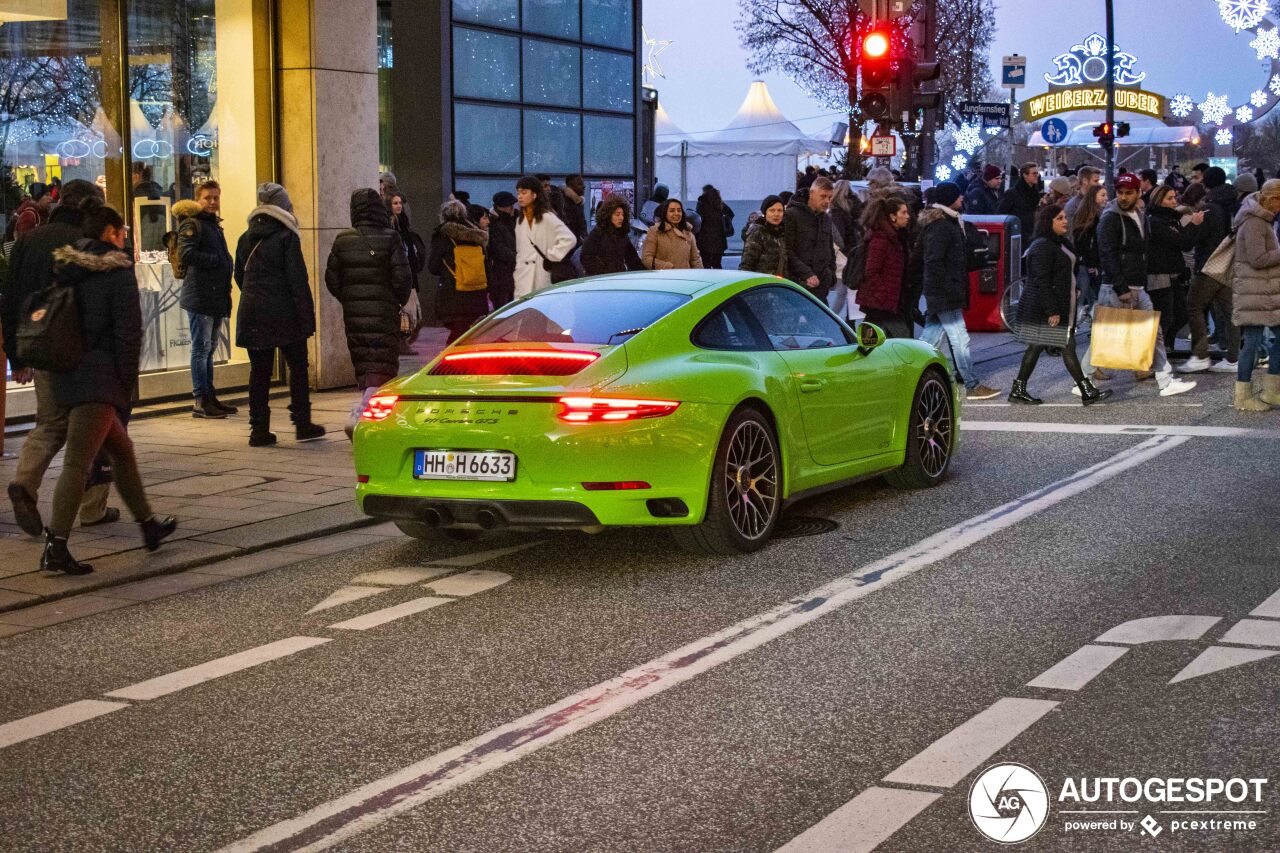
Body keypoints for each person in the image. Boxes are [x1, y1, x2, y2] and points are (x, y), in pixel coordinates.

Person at [39, 199, 176, 574]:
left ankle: (148, 526)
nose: (124, 240)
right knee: (78, 462)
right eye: (122, 233)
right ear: (111, 233)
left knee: (121, 450)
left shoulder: (65, 268)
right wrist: (126, 382)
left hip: (66, 373)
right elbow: (129, 333)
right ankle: (57, 546)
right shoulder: (116, 273)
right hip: (98, 379)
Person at [4, 180, 121, 535]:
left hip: (41, 347)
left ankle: (25, 481)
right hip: (84, 351)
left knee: (50, 423)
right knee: (99, 429)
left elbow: (10, 298)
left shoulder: (29, 240)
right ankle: (91, 507)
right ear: (89, 206)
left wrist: (16, 353)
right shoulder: (86, 243)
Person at [1080, 173, 1196, 397]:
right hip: (1118, 287)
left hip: (1135, 285)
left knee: (1153, 332)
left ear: (1138, 193)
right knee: (1106, 336)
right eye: (1121, 192)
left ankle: (1165, 379)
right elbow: (1107, 254)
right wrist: (1122, 288)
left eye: (1129, 192)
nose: (1124, 197)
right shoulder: (1111, 218)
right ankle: (1083, 378)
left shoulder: (1139, 216)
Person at [233, 183, 322, 447]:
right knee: (297, 366)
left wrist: (257, 296)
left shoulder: (245, 237)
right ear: (283, 208)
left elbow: (240, 276)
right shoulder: (286, 237)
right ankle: (302, 423)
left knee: (259, 372)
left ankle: (258, 429)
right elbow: (297, 280)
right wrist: (306, 318)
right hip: (285, 313)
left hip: (252, 312)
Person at [326, 187, 413, 433]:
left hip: (354, 312)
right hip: (384, 310)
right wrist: (395, 299)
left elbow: (332, 278)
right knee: (382, 360)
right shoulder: (390, 237)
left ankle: (371, 411)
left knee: (364, 359)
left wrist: (349, 297)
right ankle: (363, 413)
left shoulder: (343, 240)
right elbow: (403, 277)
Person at [1010, 205, 1112, 406]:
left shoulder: (1058, 242)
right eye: (1060, 218)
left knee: (1040, 346)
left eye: (1065, 217)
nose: (1065, 220)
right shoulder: (1042, 246)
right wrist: (1052, 311)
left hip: (1059, 303)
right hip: (1045, 308)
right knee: (1066, 346)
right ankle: (1086, 391)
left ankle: (1018, 389)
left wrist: (1074, 289)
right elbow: (1041, 281)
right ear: (1049, 222)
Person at [920, 182, 1000, 399]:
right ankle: (972, 384)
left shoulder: (946, 222)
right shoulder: (942, 226)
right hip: (945, 290)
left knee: (931, 338)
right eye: (958, 196)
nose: (962, 198)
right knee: (959, 338)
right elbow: (934, 261)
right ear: (949, 200)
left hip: (944, 289)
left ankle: (911, 373)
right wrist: (944, 288)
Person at [177, 180, 236, 419]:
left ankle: (210, 396)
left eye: (216, 198)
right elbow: (186, 253)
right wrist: (214, 261)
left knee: (210, 349)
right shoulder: (193, 224)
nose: (212, 202)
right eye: (207, 198)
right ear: (197, 200)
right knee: (201, 349)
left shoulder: (213, 225)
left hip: (214, 296)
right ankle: (200, 400)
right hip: (200, 297)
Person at [1228, 179, 1280, 411]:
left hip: (1263, 291)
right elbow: (1257, 259)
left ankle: (1271, 391)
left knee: (1265, 339)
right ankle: (1244, 395)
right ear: (1270, 199)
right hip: (1254, 291)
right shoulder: (1255, 223)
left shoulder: (1260, 219)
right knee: (1252, 341)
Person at [1145, 185, 1203, 358]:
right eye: (1169, 198)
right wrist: (1193, 225)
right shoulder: (1155, 221)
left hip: (1173, 273)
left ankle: (1165, 348)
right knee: (1166, 316)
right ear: (1158, 200)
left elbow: (1183, 242)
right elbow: (1181, 241)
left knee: (1180, 314)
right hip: (1159, 274)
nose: (1174, 201)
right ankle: (1156, 354)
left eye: (1174, 197)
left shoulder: (1171, 219)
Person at [428, 199, 491, 344]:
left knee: (457, 336)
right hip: (476, 294)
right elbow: (486, 267)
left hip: (453, 294)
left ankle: (450, 363)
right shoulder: (478, 236)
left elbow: (433, 267)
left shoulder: (442, 236)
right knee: (466, 333)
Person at [858, 195, 915, 339]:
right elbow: (871, 271)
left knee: (870, 342)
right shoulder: (882, 239)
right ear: (892, 216)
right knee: (902, 341)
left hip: (889, 301)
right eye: (903, 212)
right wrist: (882, 294)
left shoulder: (898, 237)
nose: (907, 216)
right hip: (882, 302)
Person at [514, 175, 577, 298]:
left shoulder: (546, 217)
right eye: (518, 192)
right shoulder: (520, 221)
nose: (520, 196)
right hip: (523, 278)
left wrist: (551, 255)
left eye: (524, 192)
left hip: (542, 276)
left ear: (534, 194)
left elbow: (569, 238)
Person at [784, 176, 836, 302]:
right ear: (812, 193)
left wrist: (831, 274)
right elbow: (786, 250)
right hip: (798, 284)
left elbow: (830, 249)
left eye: (829, 197)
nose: (827, 201)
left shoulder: (826, 218)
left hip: (821, 284)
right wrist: (806, 274)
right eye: (823, 196)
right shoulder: (792, 215)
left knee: (823, 321)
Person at [1071, 184, 1108, 334]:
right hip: (1088, 264)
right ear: (1094, 197)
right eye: (1102, 195)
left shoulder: (1094, 214)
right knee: (1084, 296)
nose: (1106, 198)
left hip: (1089, 263)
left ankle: (1092, 326)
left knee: (1092, 296)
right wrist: (1093, 263)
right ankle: (1071, 327)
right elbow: (1086, 243)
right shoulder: (1090, 216)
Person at [580, 193, 644, 276]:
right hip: (600, 280)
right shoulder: (598, 233)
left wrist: (645, 273)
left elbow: (632, 258)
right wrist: (603, 272)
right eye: (617, 214)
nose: (621, 217)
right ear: (608, 215)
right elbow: (586, 257)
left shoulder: (622, 235)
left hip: (617, 278)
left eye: (623, 214)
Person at [828, 179, 863, 314]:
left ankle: (833, 318)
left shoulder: (836, 211)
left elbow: (839, 237)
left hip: (843, 254)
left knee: (843, 291)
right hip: (854, 252)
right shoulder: (856, 208)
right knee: (848, 290)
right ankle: (842, 319)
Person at [642, 197, 703, 270]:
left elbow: (695, 259)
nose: (676, 213)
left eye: (679, 210)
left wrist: (700, 275)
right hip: (664, 278)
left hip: (685, 278)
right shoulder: (655, 231)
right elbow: (646, 259)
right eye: (672, 211)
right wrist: (667, 267)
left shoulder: (688, 233)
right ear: (665, 213)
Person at [739, 195, 787, 277]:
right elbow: (747, 264)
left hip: (778, 284)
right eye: (772, 210)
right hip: (761, 284)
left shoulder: (782, 232)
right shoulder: (758, 232)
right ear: (765, 212)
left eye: (780, 210)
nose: (776, 214)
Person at [487, 191, 518, 308]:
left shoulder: (515, 218)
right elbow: (498, 248)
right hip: (501, 273)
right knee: (503, 307)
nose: (512, 208)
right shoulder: (494, 223)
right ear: (502, 207)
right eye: (510, 205)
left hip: (513, 271)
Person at [998, 162, 1042, 240]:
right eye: (1034, 173)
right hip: (1017, 235)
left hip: (1031, 234)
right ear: (1025, 175)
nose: (1036, 175)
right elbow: (1001, 213)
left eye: (1037, 173)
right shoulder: (1012, 194)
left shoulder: (1035, 193)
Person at [695, 184, 733, 270]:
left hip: (705, 239)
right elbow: (731, 214)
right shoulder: (719, 203)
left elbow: (699, 219)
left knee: (705, 265)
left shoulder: (702, 202)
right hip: (720, 240)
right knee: (717, 264)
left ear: (704, 191)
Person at [560, 174, 589, 244]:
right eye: (580, 184)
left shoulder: (578, 202)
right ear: (570, 187)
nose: (584, 186)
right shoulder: (565, 204)